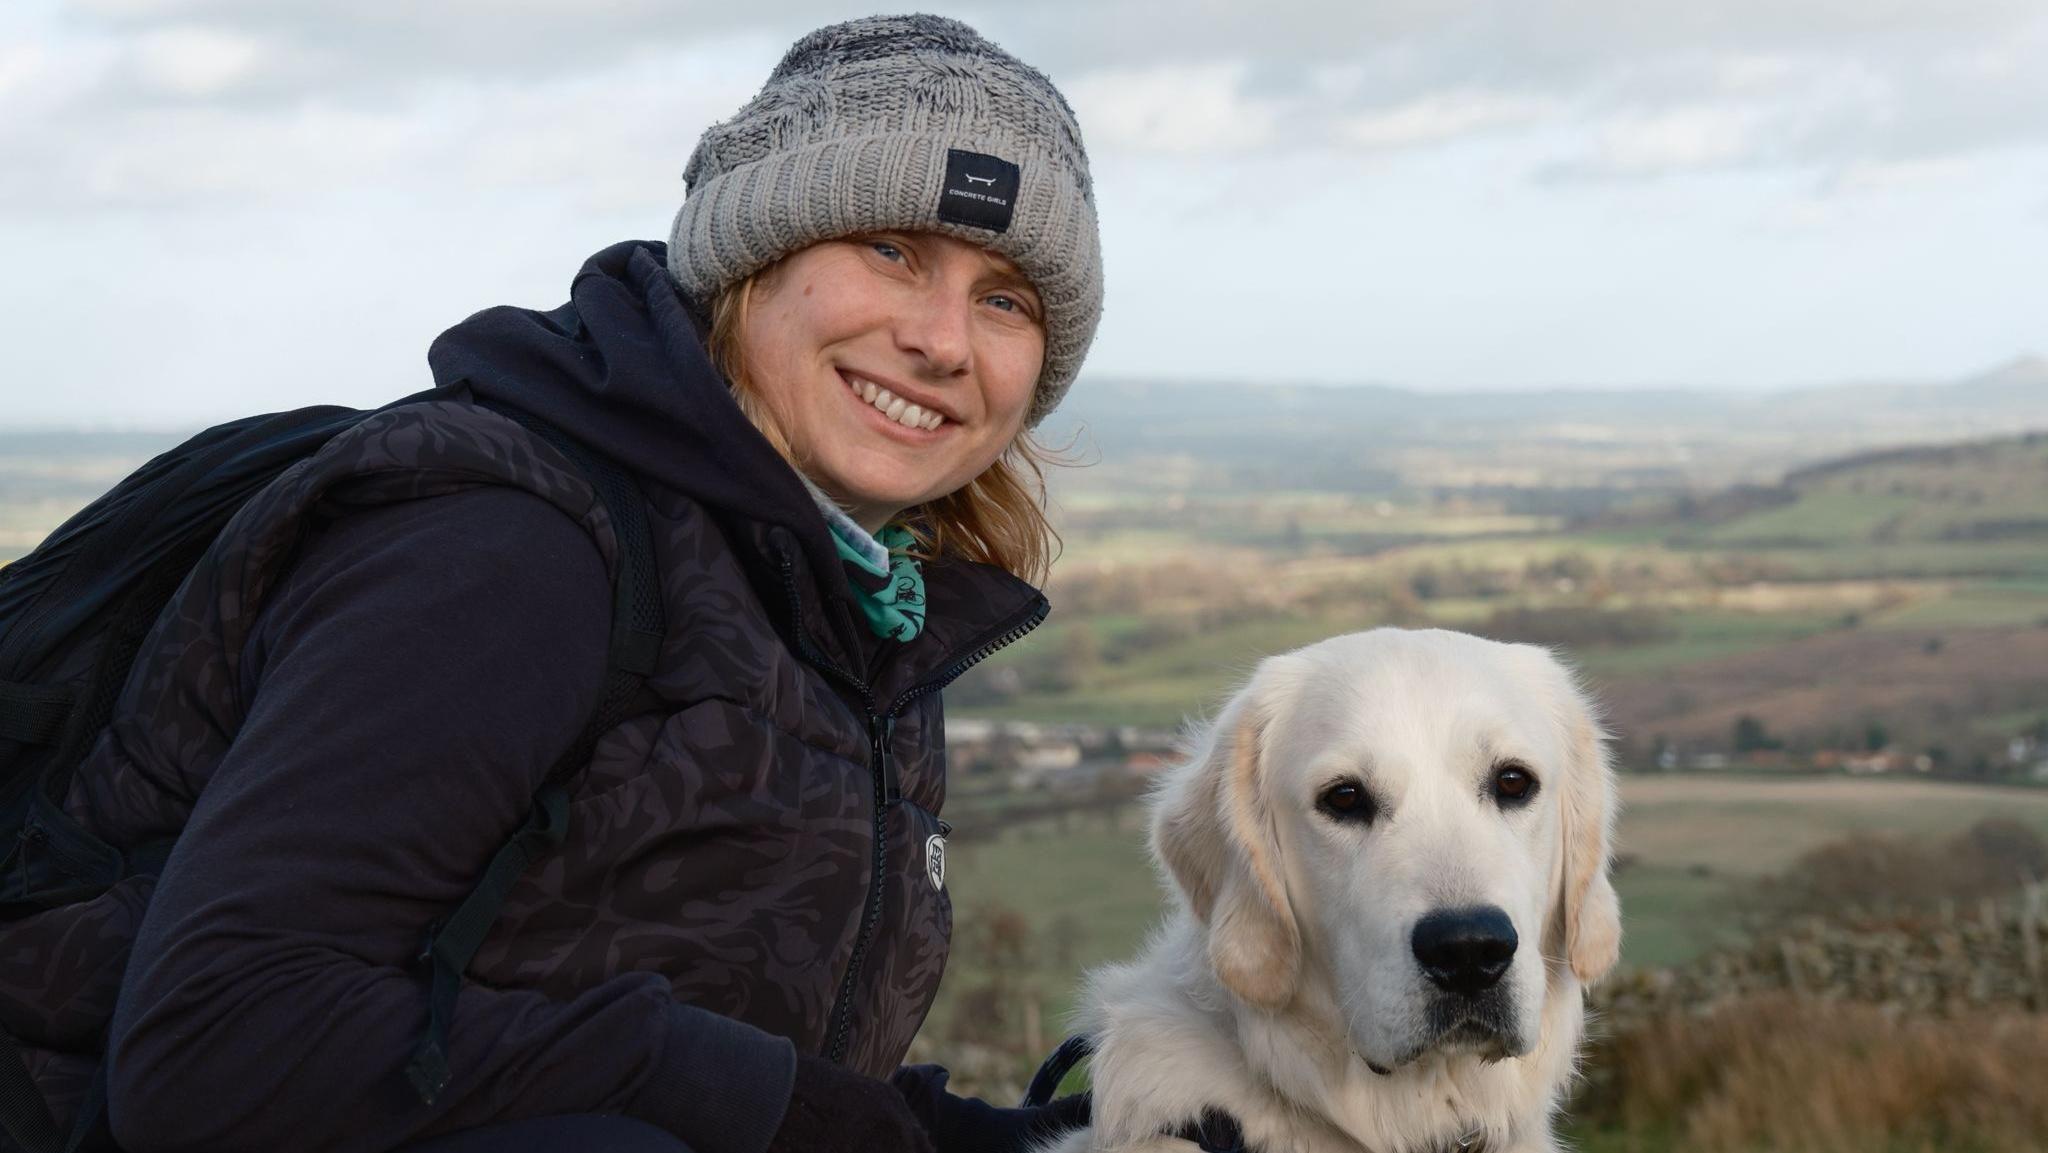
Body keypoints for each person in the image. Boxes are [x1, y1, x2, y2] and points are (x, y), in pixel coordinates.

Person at [47, 14, 1100, 1153]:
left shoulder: (856, 613)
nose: (943, 340)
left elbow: (770, 1079)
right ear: (751, 260)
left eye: (1006, 298)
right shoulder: (512, 549)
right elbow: (214, 1047)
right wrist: (740, 1101)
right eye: (892, 251)